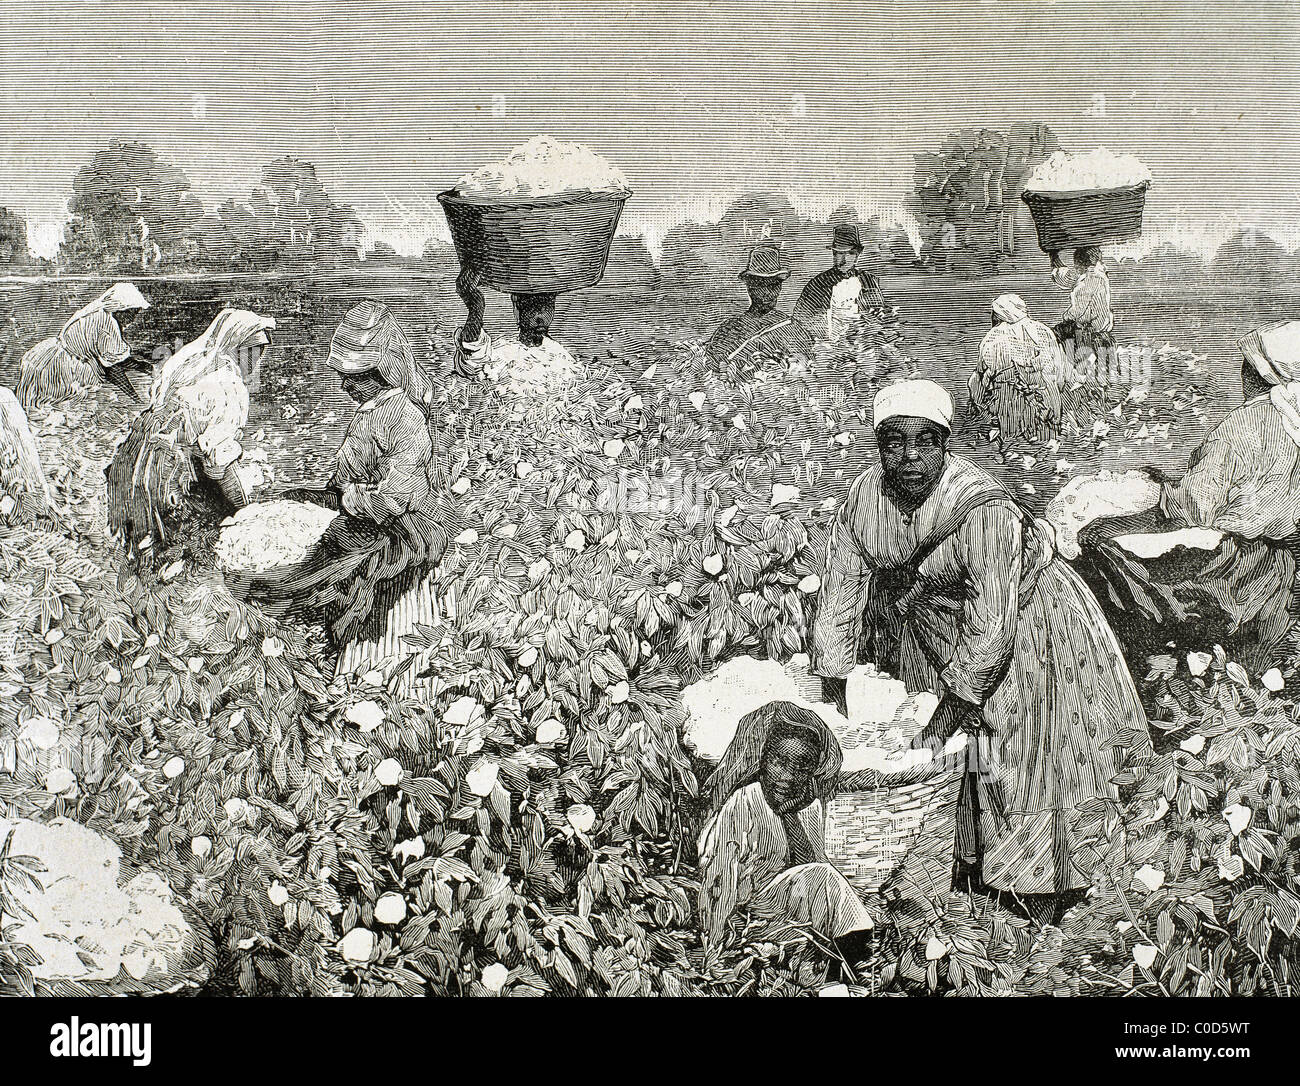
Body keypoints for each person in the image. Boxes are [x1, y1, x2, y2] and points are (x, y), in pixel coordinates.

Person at [810, 379, 1151, 927]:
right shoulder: (864, 500)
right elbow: (838, 597)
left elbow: (994, 627)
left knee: (1027, 742)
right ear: (878, 447)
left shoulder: (981, 506)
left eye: (925, 441)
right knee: (944, 748)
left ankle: (1044, 891)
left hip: (1030, 618)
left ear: (946, 445)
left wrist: (953, 704)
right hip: (939, 622)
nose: (909, 457)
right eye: (893, 442)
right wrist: (832, 691)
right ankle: (966, 865)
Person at [1075, 320, 1300, 673]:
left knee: (1096, 541)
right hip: (1278, 566)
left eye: (1246, 368)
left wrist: (1122, 516)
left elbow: (1190, 507)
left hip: (1230, 569)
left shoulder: (1241, 427)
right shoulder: (1294, 419)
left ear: (1258, 375)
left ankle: (1134, 657)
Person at [269, 302, 450, 693]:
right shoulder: (370, 411)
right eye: (343, 376)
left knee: (345, 574)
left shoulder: (406, 416)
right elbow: (347, 478)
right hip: (362, 519)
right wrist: (316, 498)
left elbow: (392, 500)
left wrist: (345, 500)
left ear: (382, 369)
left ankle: (366, 669)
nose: (345, 386)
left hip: (401, 531)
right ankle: (313, 653)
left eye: (355, 376)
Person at [698, 701, 873, 959]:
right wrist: (716, 944)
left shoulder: (809, 807)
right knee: (825, 880)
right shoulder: (745, 800)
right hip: (744, 912)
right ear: (763, 759)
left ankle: (847, 961)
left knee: (826, 880)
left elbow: (808, 866)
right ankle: (847, 960)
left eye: (802, 767)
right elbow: (719, 876)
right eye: (780, 762)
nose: (788, 776)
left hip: (784, 912)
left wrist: (790, 813)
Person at [106, 309, 273, 555]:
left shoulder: (190, 361)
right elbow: (218, 460)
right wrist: (244, 509)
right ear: (236, 346)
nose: (256, 361)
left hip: (141, 450)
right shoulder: (228, 386)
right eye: (251, 352)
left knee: (140, 538)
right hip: (168, 465)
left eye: (260, 353)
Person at [17, 283, 151, 408]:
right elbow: (112, 370)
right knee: (66, 410)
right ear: (122, 309)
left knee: (36, 406)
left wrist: (140, 366)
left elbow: (112, 359)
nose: (133, 319)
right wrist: (137, 400)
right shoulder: (108, 323)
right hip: (66, 370)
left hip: (48, 356)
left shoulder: (96, 310)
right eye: (133, 313)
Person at [453, 268, 580, 396]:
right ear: (517, 307)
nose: (541, 316)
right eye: (532, 307)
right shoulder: (503, 352)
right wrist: (476, 305)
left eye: (547, 306)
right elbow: (472, 349)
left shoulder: (559, 355)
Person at [967, 293, 1065, 448]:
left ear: (998, 315)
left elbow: (982, 374)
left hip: (1012, 402)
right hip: (1047, 398)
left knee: (980, 381)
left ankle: (1005, 431)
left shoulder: (993, 337)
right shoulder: (1044, 331)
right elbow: (1059, 370)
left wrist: (978, 401)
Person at [705, 244, 815, 369]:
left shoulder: (793, 328)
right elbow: (711, 367)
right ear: (749, 287)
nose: (768, 293)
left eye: (773, 285)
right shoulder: (729, 328)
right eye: (761, 286)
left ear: (780, 287)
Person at [793, 225, 887, 342]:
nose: (844, 260)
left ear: (857, 255)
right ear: (833, 254)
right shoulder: (817, 284)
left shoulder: (869, 281)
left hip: (864, 346)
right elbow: (799, 321)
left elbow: (880, 317)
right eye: (839, 253)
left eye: (850, 253)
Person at [1052, 246, 1114, 373]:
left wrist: (1067, 316)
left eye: (1075, 264)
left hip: (1089, 335)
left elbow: (1079, 309)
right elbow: (1066, 279)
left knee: (1082, 371)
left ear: (1079, 263)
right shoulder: (1099, 275)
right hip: (1101, 333)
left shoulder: (1090, 279)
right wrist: (1055, 260)